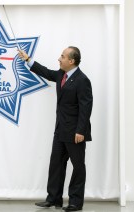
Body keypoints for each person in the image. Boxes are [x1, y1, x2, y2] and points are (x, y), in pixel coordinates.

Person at [18, 47, 93, 212]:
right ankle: (53, 199)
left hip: (75, 133)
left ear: (71, 61)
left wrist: (80, 131)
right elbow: (45, 72)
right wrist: (27, 59)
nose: (59, 59)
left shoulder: (82, 80)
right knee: (56, 165)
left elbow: (85, 108)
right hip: (60, 130)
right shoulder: (61, 75)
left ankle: (75, 202)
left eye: (62, 56)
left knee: (78, 167)